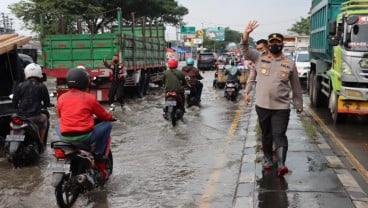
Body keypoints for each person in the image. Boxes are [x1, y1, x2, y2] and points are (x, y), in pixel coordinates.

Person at [240, 20, 303, 177]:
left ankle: (281, 164)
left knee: (279, 135)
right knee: (266, 135)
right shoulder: (259, 58)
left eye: (278, 42)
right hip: (262, 106)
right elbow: (245, 49)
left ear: (282, 44)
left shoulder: (289, 63)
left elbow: (296, 86)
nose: (275, 44)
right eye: (272, 42)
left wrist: (298, 104)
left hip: (281, 107)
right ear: (268, 44)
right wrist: (246, 34)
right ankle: (268, 159)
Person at [57, 67, 115, 179]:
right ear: (85, 82)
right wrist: (111, 117)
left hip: (65, 138)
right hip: (84, 137)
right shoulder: (89, 98)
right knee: (107, 125)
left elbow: (60, 115)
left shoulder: (61, 98)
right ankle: (98, 156)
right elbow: (103, 115)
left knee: (58, 125)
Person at [12, 63, 51, 147]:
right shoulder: (42, 86)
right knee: (45, 120)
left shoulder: (20, 85)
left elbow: (14, 102)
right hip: (35, 116)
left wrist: (17, 108)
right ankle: (41, 143)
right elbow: (47, 103)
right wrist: (47, 105)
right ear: (39, 73)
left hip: (21, 117)